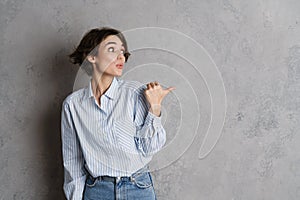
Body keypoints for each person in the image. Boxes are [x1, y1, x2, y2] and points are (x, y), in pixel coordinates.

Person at [61, 27, 175, 200]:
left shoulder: (135, 93)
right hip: (96, 191)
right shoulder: (73, 105)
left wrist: (155, 108)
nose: (121, 56)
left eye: (122, 51)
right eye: (112, 49)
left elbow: (149, 148)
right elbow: (72, 162)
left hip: (137, 188)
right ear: (91, 57)